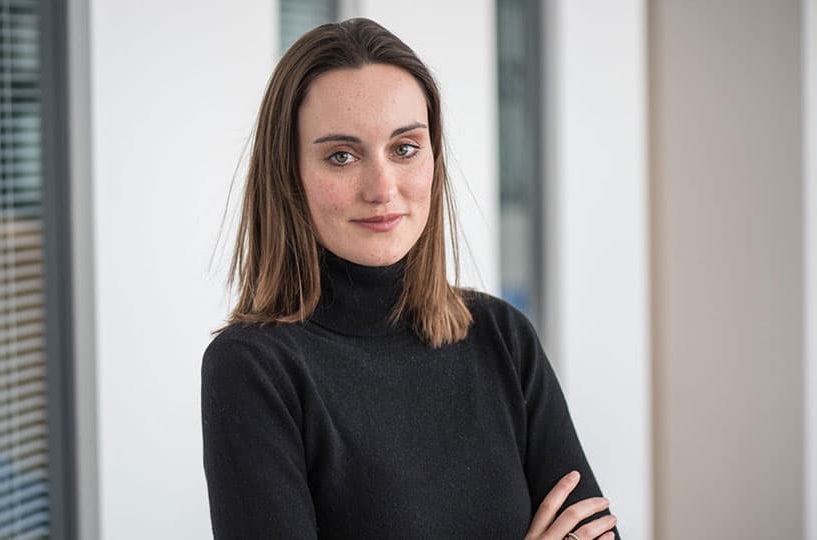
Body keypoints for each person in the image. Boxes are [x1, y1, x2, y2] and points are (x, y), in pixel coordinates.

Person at [201, 17, 619, 540]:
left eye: (404, 148)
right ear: (289, 174)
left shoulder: (502, 338)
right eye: (341, 156)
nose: (382, 188)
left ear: (434, 159)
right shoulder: (253, 369)